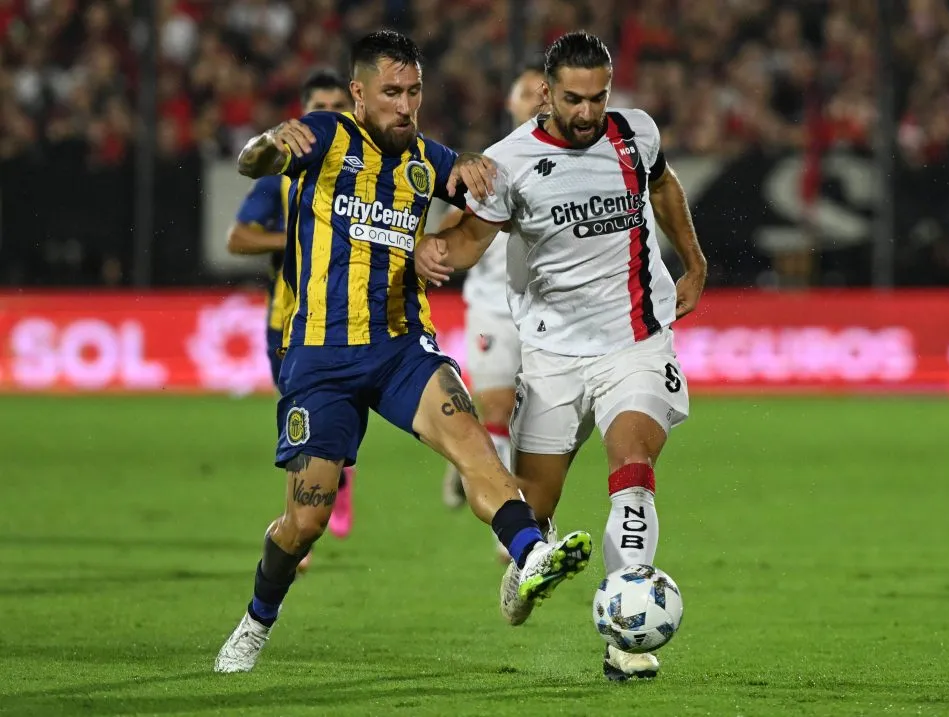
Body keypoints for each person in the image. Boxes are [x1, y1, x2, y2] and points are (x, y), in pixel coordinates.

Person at [214, 30, 592, 674]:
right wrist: (267, 142)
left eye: (414, 91)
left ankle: (529, 556)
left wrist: (472, 167)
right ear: (359, 94)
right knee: (303, 523)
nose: (405, 105)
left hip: (399, 349)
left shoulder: (423, 157)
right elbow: (253, 164)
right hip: (321, 359)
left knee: (472, 440)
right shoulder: (326, 136)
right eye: (391, 92)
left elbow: (474, 185)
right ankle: (256, 619)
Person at [415, 31, 707, 681]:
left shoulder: (634, 134)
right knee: (533, 507)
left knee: (633, 461)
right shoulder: (509, 161)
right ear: (546, 94)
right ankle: (527, 562)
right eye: (573, 99)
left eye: (597, 97)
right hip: (550, 357)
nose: (586, 112)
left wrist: (695, 261)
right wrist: (428, 252)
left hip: (635, 340)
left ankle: (627, 634)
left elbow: (664, 188)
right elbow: (466, 241)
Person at [227, 70, 353, 570]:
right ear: (303, 114)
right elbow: (237, 239)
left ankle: (334, 483)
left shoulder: (369, 170)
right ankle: (315, 503)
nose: (328, 112)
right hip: (290, 321)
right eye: (318, 104)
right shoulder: (282, 176)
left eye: (337, 104)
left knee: (331, 420)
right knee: (303, 422)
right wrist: (299, 238)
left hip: (349, 319)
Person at [436, 64, 548, 561]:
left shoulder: (568, 161)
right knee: (499, 408)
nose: (537, 100)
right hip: (491, 307)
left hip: (547, 308)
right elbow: (451, 223)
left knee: (537, 422)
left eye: (543, 92)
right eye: (526, 93)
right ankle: (513, 521)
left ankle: (472, 463)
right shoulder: (493, 164)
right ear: (510, 106)